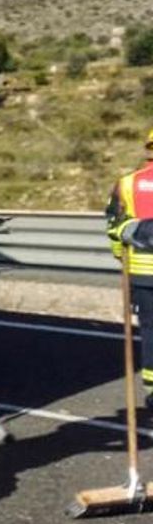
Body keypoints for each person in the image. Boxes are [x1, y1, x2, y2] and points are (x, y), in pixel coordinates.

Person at [104, 128, 153, 405]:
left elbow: (113, 225)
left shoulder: (127, 183)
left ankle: (152, 391)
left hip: (142, 273)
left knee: (150, 329)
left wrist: (120, 257)